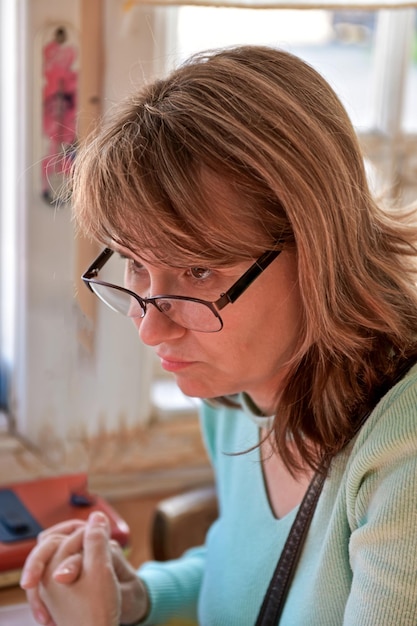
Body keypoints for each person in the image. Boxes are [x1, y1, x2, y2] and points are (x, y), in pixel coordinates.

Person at [21, 44, 417, 626]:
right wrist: (138, 599)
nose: (152, 329)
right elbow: (254, 574)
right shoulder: (231, 391)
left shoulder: (402, 461)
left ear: (319, 252)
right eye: (133, 264)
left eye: (199, 271)